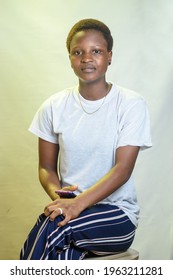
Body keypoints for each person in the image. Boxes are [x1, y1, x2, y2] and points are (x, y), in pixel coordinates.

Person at [20, 18, 152, 260]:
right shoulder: (53, 106)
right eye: (77, 52)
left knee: (56, 227)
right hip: (71, 210)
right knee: (59, 248)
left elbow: (123, 169)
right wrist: (60, 198)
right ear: (70, 58)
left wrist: (76, 205)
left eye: (96, 51)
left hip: (117, 215)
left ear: (109, 56)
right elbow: (46, 167)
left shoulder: (131, 104)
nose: (87, 58)